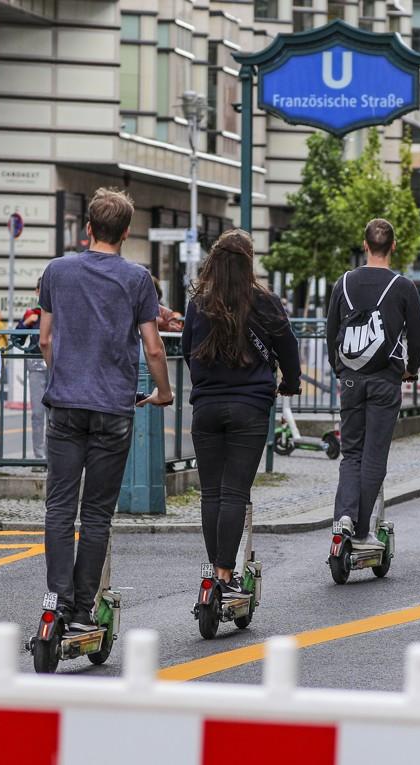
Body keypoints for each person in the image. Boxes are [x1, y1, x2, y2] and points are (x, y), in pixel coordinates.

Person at [38, 188, 172, 631]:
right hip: (114, 407)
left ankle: (56, 601)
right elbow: (153, 348)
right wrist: (164, 392)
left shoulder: (56, 271)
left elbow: (44, 339)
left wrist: (64, 376)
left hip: (65, 404)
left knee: (59, 507)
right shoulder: (136, 279)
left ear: (88, 228)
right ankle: (80, 613)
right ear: (127, 233)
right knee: (96, 513)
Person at [182, 230, 300, 592]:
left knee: (211, 493)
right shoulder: (264, 301)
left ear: (213, 260)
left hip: (207, 408)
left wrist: (206, 382)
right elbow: (288, 347)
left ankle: (213, 576)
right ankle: (223, 575)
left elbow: (188, 348)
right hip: (250, 407)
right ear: (249, 263)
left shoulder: (199, 302)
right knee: (234, 492)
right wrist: (289, 383)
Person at [326, 219, 420, 546]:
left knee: (351, 451)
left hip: (352, 379)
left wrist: (339, 369)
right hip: (386, 380)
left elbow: (331, 332)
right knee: (374, 456)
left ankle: (343, 514)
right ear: (393, 246)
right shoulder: (403, 286)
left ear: (365, 245)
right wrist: (412, 368)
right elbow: (418, 336)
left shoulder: (344, 282)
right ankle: (360, 530)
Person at [20, 281, 48, 463]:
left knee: (57, 415)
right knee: (38, 413)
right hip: (37, 365)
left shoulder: (63, 312)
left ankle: (54, 457)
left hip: (58, 367)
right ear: (37, 291)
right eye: (42, 290)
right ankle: (39, 457)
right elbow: (16, 337)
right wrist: (25, 324)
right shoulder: (32, 314)